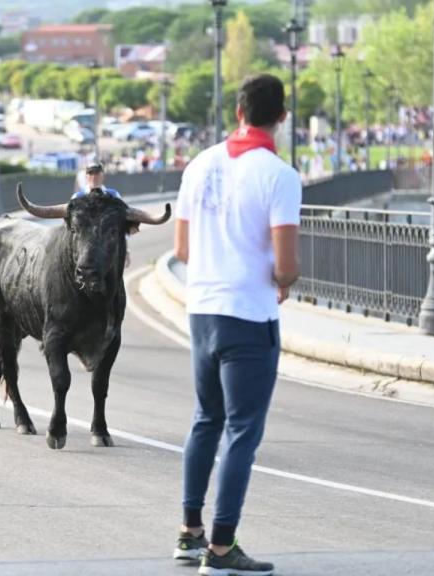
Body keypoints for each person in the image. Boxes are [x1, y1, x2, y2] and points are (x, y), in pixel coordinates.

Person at [172, 73, 301, 576]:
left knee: (206, 420)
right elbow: (286, 266)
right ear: (281, 119)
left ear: (239, 111)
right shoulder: (279, 174)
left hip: (201, 310)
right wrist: (283, 277)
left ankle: (189, 534)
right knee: (243, 433)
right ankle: (221, 550)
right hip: (249, 315)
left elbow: (182, 249)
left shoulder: (199, 165)